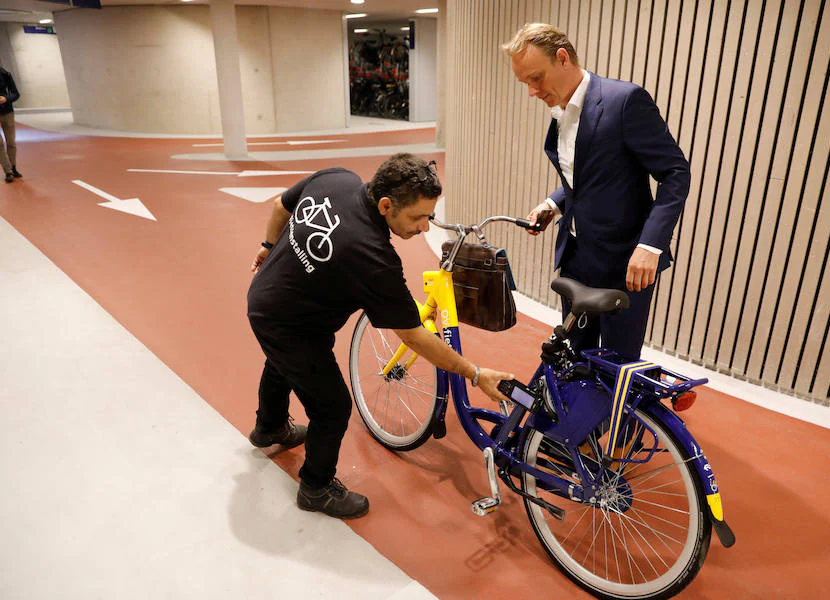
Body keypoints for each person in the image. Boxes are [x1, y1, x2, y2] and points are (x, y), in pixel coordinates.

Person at [247, 153, 514, 520]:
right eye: (417, 218)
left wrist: (267, 246)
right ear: (386, 205)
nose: (424, 228)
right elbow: (413, 335)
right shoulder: (373, 256)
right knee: (333, 406)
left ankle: (268, 428)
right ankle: (316, 487)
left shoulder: (337, 179)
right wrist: (474, 372)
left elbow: (281, 205)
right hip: (288, 322)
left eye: (429, 217)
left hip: (269, 293)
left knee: (282, 363)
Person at [502, 23, 690, 361]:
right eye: (525, 83)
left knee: (616, 367)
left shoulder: (625, 101)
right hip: (576, 258)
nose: (532, 91)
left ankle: (620, 417)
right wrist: (553, 204)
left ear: (562, 58)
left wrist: (651, 246)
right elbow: (587, 174)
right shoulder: (560, 109)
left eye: (536, 78)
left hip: (625, 264)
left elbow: (675, 172)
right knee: (573, 360)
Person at [0, 65, 21, 184]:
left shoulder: (5, 73)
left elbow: (16, 94)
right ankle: (8, 171)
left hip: (7, 111)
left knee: (11, 142)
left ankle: (13, 167)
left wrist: (6, 98)